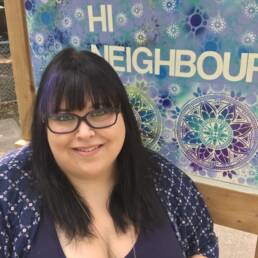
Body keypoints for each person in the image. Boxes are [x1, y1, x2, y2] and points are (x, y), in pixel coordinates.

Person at [0, 48, 218, 258]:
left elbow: (204, 245)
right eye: (64, 117)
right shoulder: (8, 190)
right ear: (43, 124)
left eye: (100, 111)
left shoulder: (165, 179)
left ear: (124, 114)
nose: (84, 132)